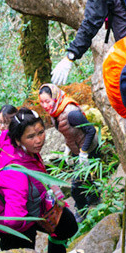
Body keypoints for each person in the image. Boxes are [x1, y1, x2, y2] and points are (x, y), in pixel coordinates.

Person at [0, 107, 84, 253]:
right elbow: (14, 220)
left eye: (41, 132)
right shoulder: (16, 174)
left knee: (67, 225)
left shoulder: (14, 144)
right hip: (17, 230)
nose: (39, 140)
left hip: (33, 206)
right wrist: (34, 221)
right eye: (31, 136)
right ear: (18, 139)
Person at [38, 84, 100, 220]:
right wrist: (67, 148)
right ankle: (95, 198)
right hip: (76, 148)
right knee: (86, 179)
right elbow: (69, 133)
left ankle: (81, 211)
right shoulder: (55, 112)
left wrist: (84, 152)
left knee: (76, 187)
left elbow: (91, 130)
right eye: (42, 102)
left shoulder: (71, 113)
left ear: (55, 98)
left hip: (88, 148)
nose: (45, 105)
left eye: (47, 101)